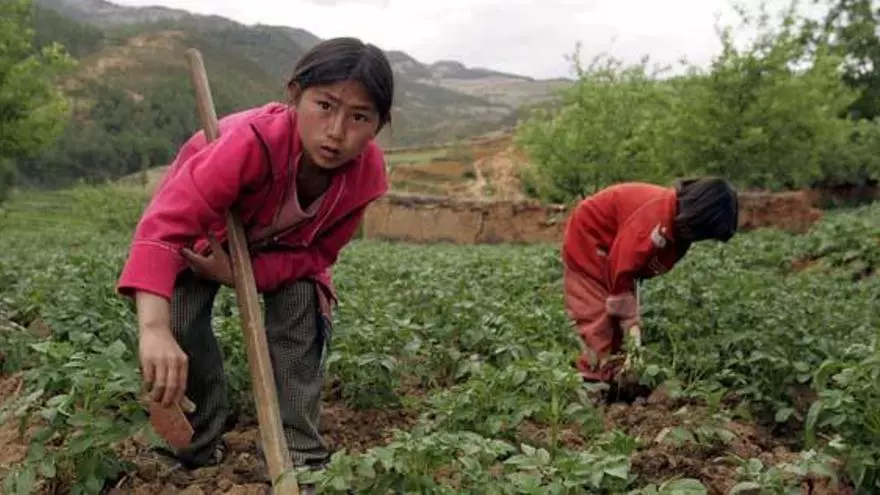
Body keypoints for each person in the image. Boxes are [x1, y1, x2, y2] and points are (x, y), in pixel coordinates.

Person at [115, 36, 394, 482]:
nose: (337, 131)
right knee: (181, 321)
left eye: (359, 117)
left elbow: (319, 253)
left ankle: (297, 453)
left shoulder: (366, 177)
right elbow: (166, 225)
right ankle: (194, 445)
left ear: (377, 126)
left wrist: (249, 274)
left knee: (303, 306)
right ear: (295, 95)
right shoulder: (250, 142)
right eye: (325, 106)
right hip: (205, 237)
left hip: (285, 254)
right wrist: (153, 329)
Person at [561, 178, 738, 385]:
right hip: (590, 236)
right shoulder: (653, 218)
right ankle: (591, 380)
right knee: (596, 315)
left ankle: (614, 374)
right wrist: (628, 313)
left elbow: (633, 267)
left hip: (616, 246)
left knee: (615, 319)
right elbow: (623, 267)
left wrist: (628, 317)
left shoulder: (674, 225)